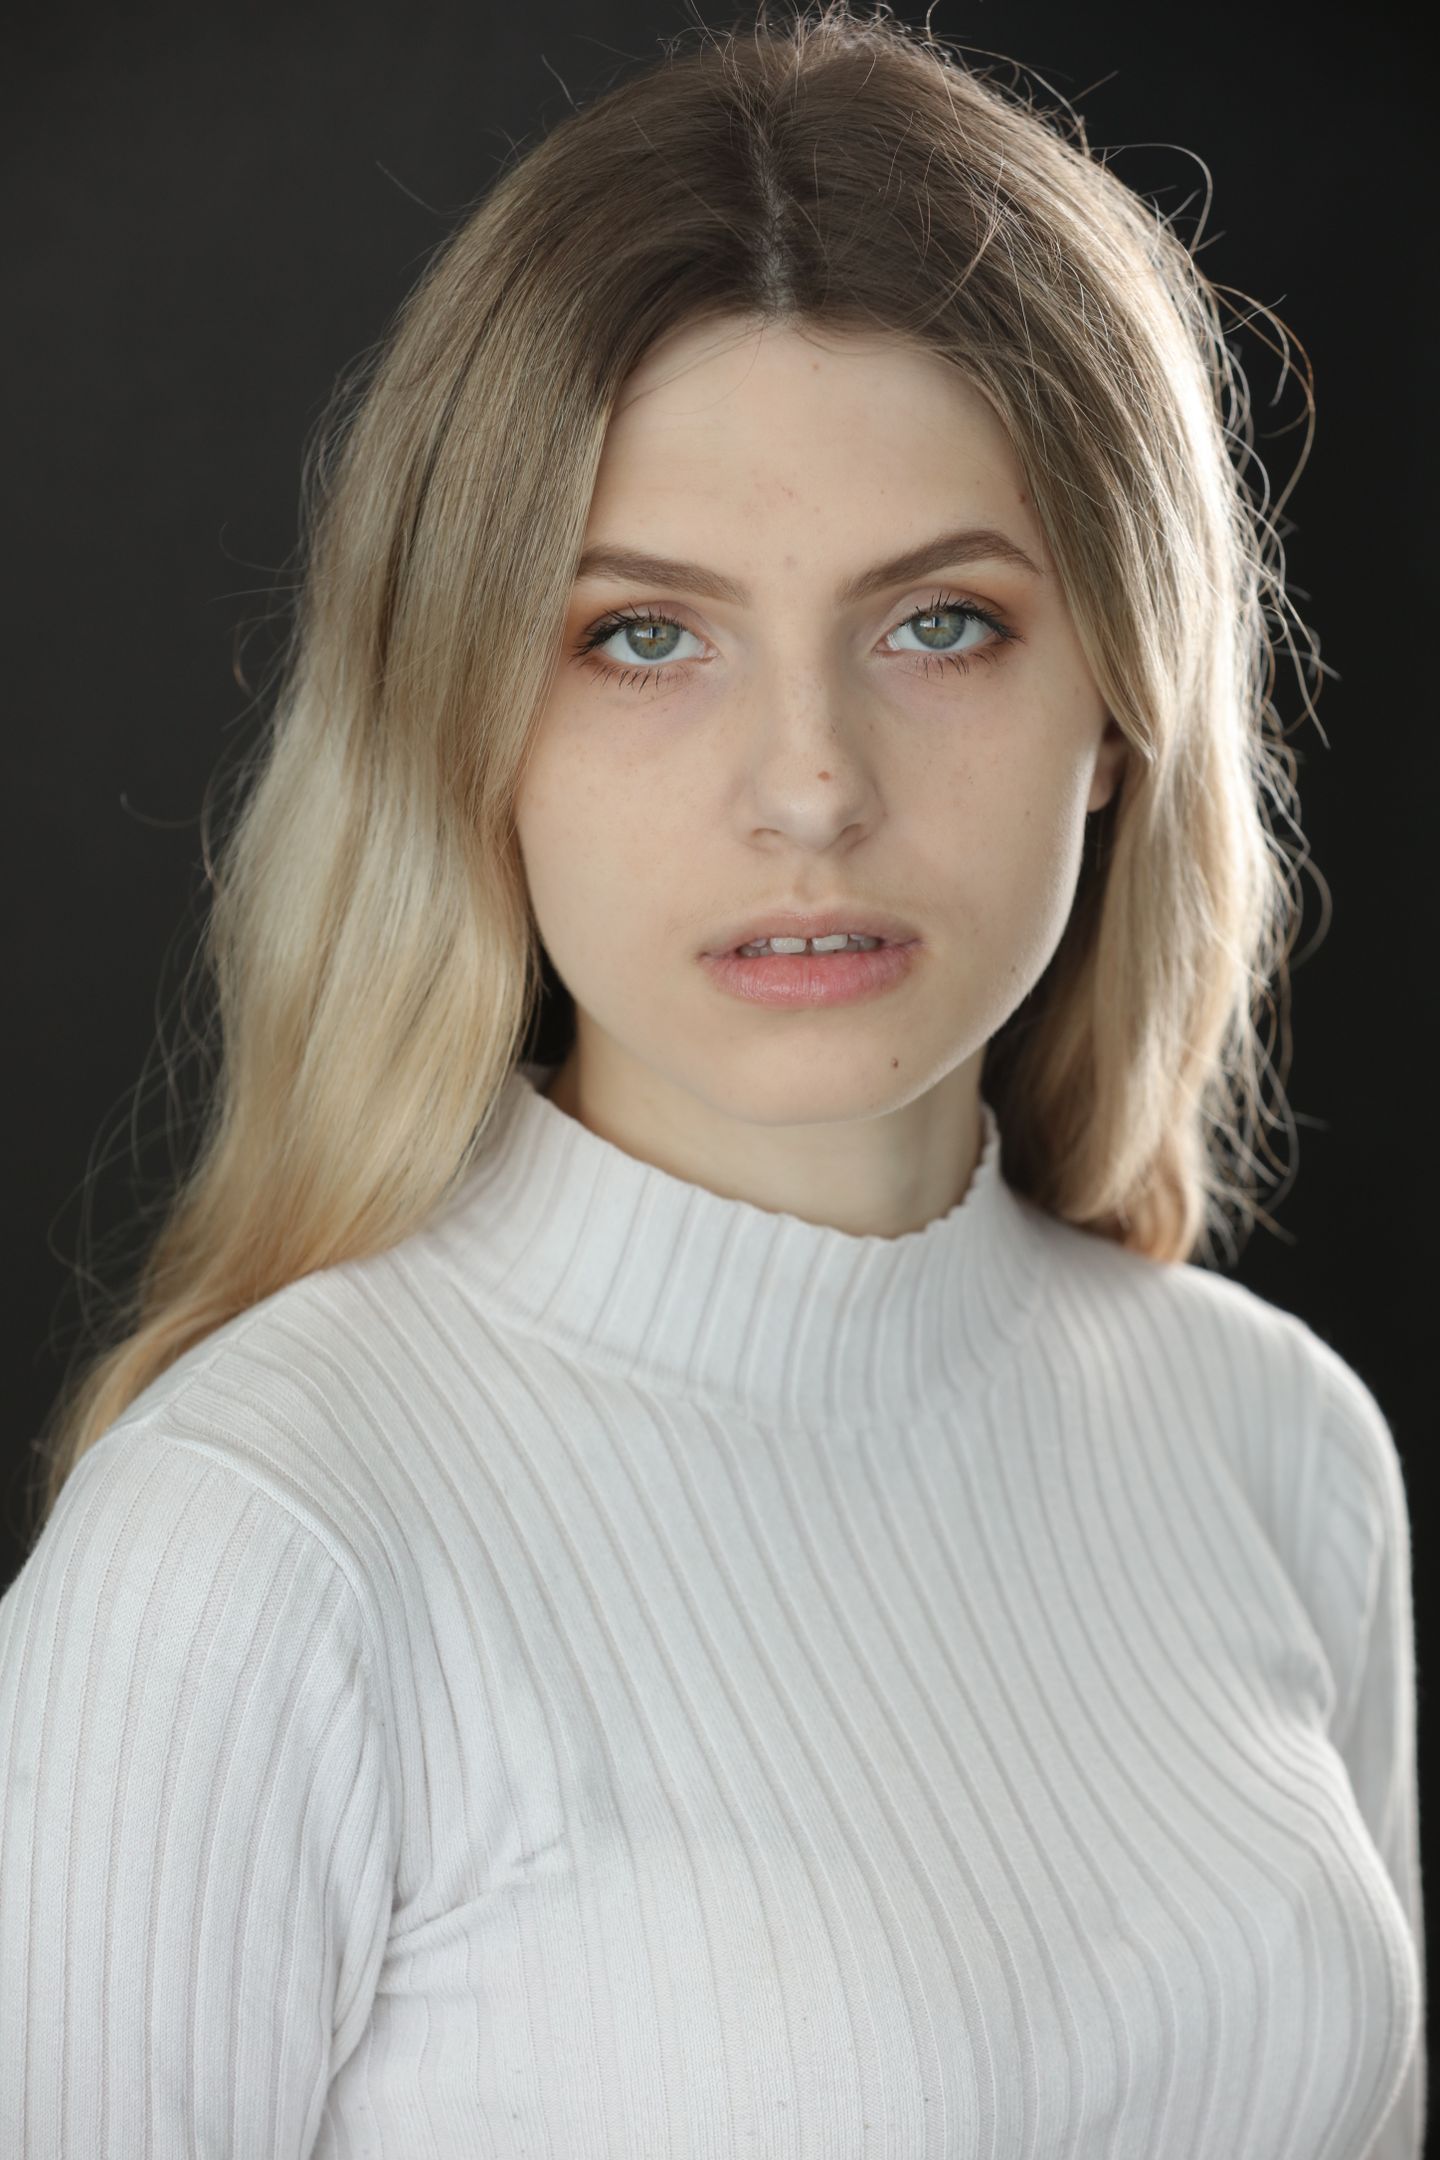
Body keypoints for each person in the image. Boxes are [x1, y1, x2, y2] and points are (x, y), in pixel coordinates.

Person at [1, 4, 1422, 2154]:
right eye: (643, 636)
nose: (810, 788)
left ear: (1126, 701)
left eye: (941, 622)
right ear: (467, 719)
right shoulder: (254, 1545)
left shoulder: (1278, 1448)